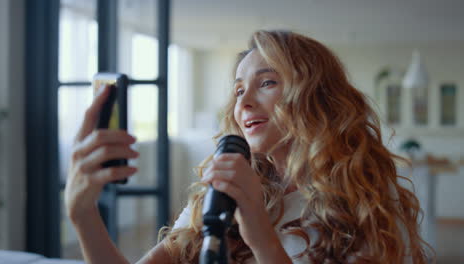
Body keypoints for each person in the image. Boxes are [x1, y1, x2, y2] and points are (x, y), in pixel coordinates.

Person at [65, 30, 433, 264]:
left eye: (267, 82)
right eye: (239, 90)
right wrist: (83, 214)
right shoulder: (226, 190)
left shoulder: (368, 196)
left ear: (315, 97)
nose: (243, 103)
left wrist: (261, 235)